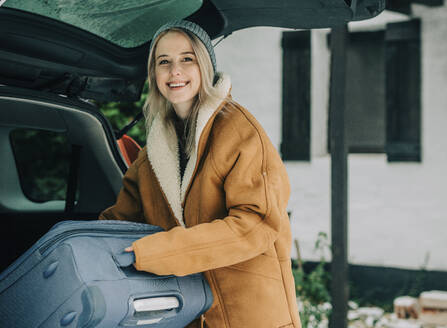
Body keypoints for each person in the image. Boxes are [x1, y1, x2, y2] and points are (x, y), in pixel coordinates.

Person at [99, 20, 301, 328]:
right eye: (163, 62)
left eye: (186, 59)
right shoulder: (151, 155)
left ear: (205, 67)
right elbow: (121, 222)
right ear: (154, 74)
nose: (174, 71)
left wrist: (156, 252)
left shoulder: (239, 130)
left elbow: (255, 224)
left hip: (252, 316)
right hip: (189, 314)